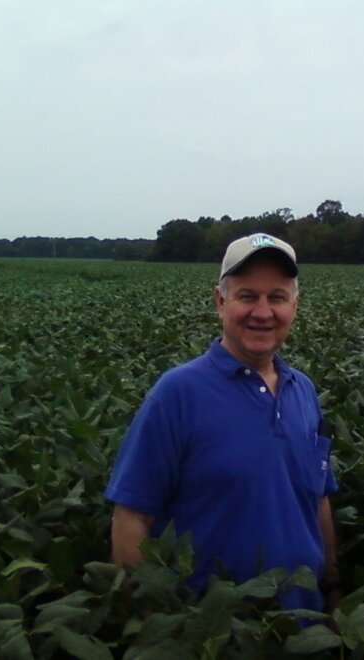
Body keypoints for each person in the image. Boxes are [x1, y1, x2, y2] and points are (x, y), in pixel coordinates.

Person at [104, 232, 340, 613]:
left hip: (304, 625)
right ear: (220, 301)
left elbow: (319, 502)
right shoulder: (178, 393)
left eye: (277, 297)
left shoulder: (304, 392)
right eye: (247, 296)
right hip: (212, 633)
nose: (263, 312)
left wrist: (332, 592)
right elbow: (131, 516)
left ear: (294, 306)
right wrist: (153, 626)